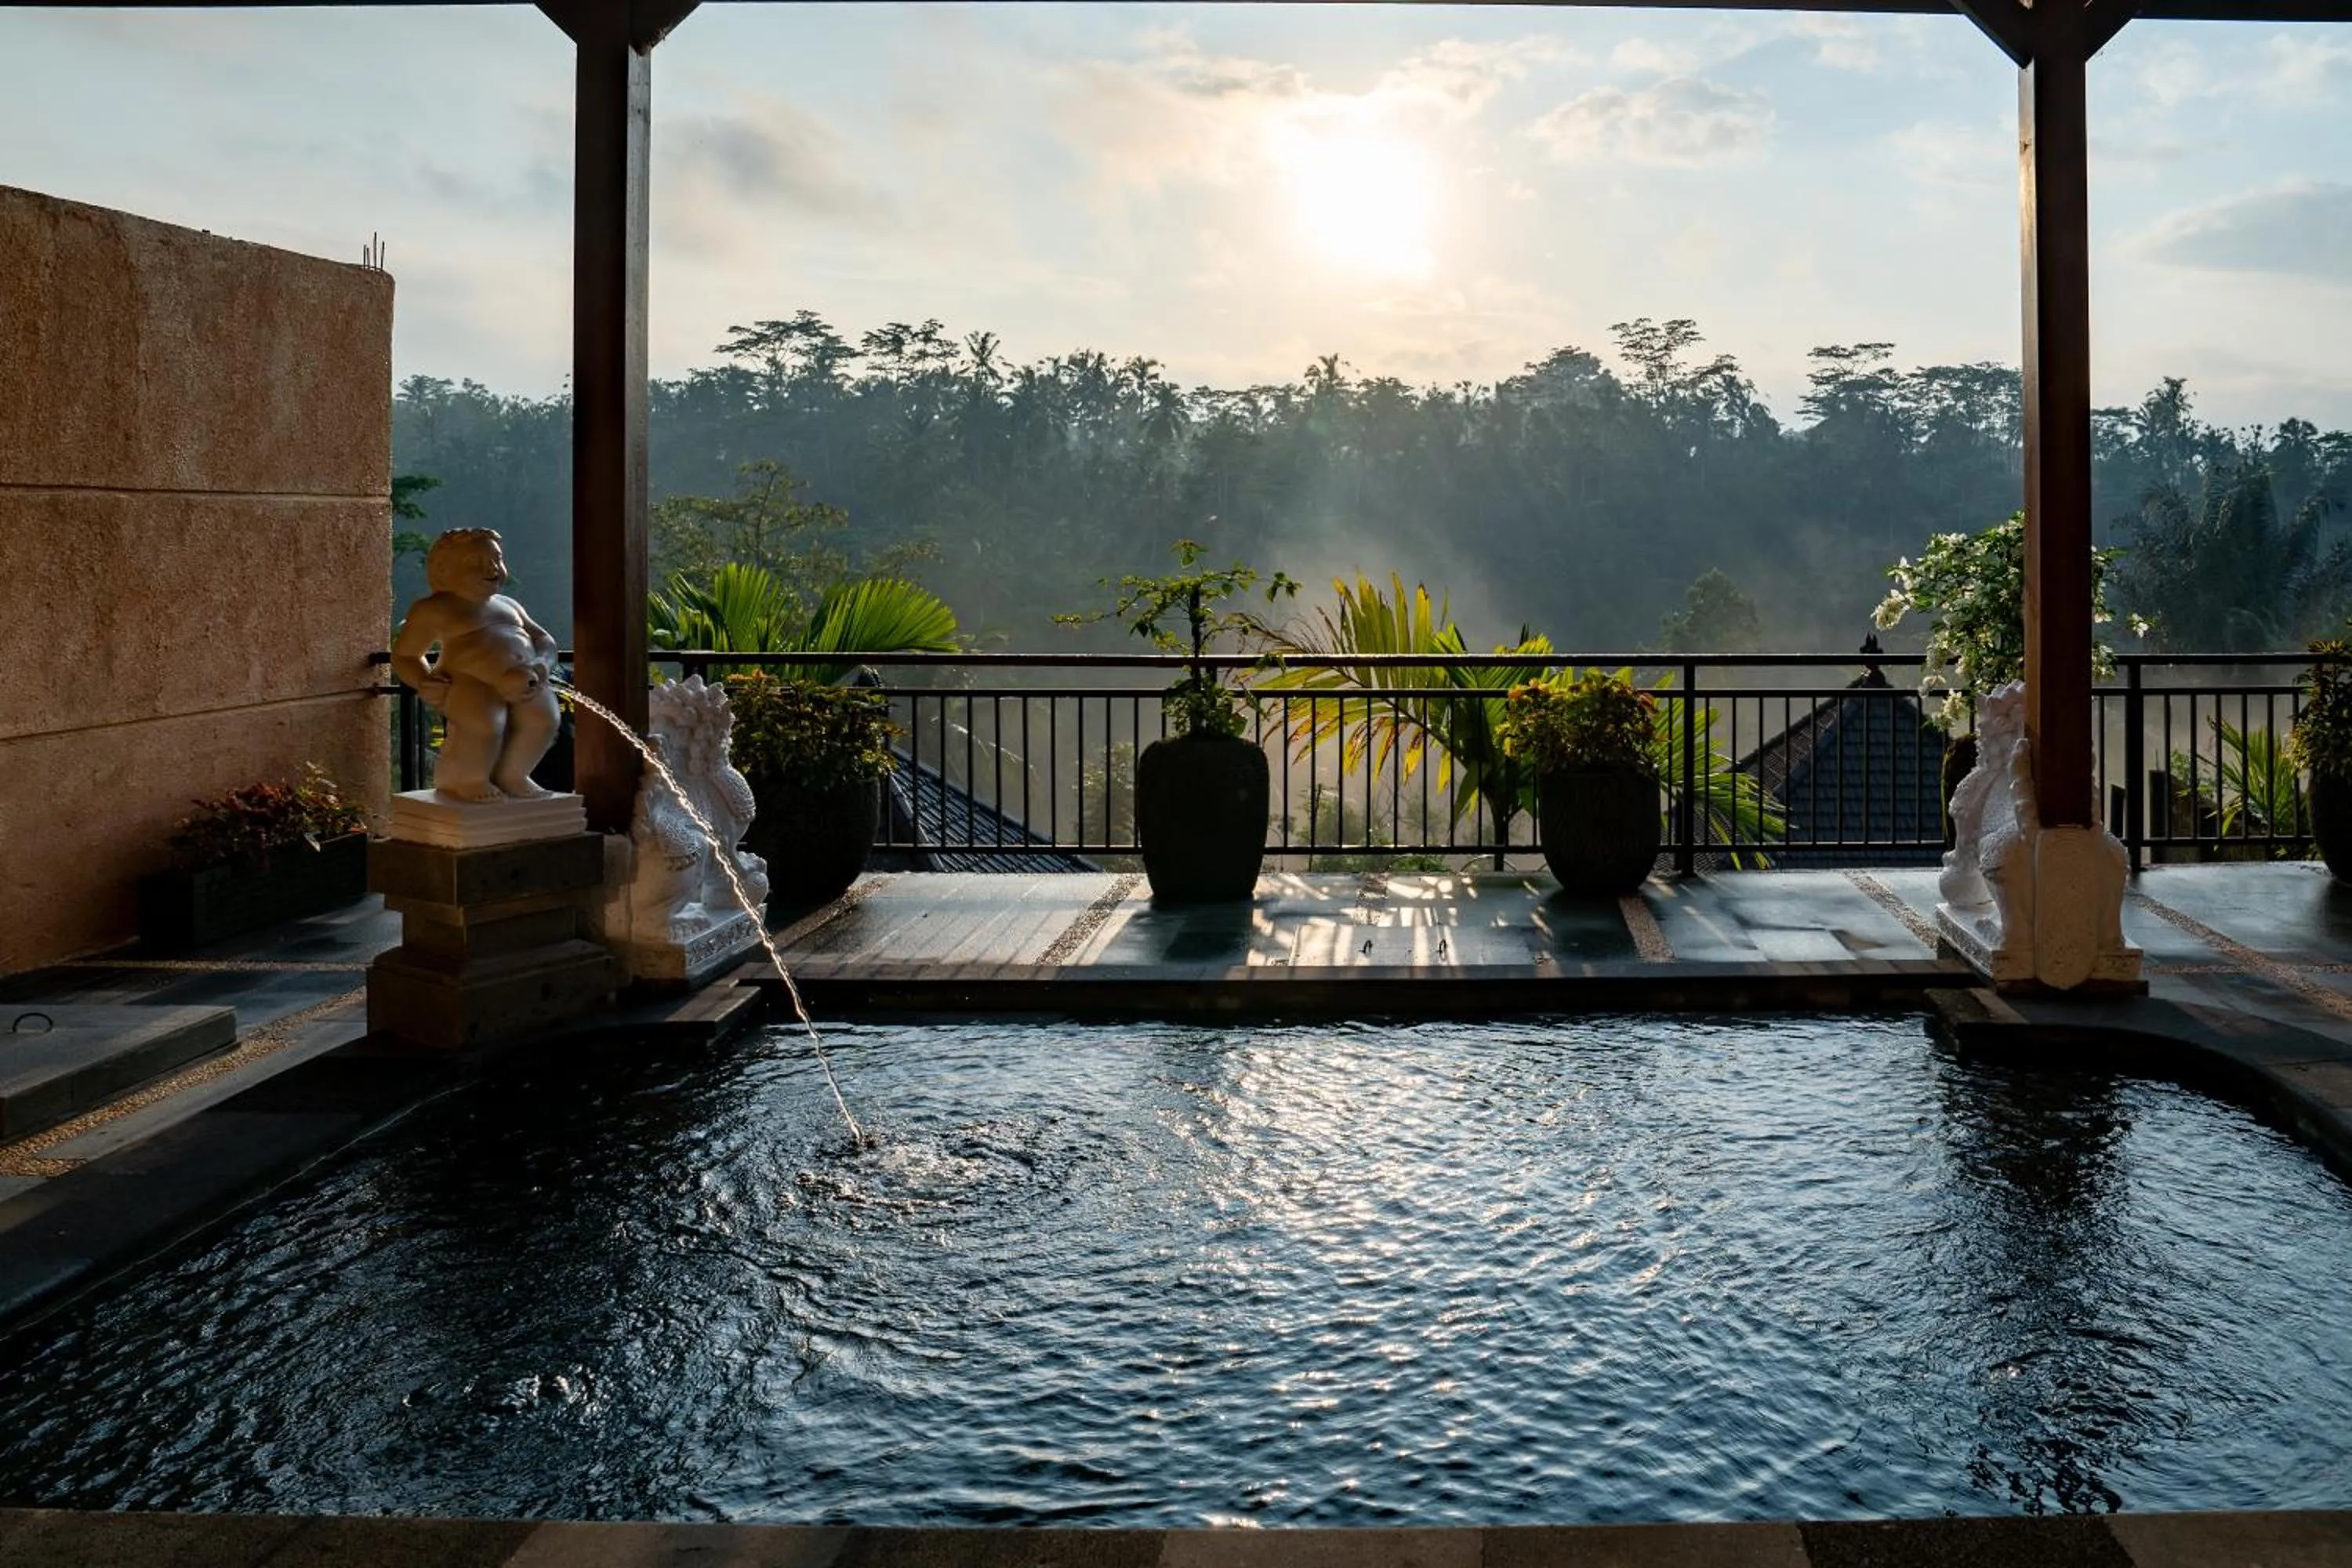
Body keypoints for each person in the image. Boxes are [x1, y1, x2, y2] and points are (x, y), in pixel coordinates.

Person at [390, 528, 562, 802]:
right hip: (467, 681)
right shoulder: (434, 609)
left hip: (525, 677)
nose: (491, 568)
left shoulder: (509, 605)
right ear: (444, 570)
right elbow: (405, 655)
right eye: (475, 563)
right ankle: (471, 779)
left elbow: (543, 638)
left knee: (544, 718)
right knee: (485, 724)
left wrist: (541, 664)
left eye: (497, 559)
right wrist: (424, 681)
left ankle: (513, 774)